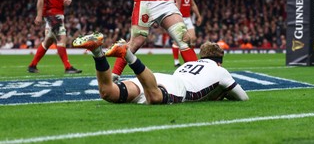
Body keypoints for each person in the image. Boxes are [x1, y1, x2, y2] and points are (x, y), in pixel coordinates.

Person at [72, 32, 249, 104]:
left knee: (108, 93)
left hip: (159, 78)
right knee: (155, 97)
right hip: (175, 89)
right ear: (219, 61)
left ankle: (97, 51)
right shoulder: (220, 71)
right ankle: (128, 55)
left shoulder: (188, 64)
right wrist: (222, 94)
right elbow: (243, 98)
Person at [27, 0, 82, 74]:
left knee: (49, 40)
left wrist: (68, 0)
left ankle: (32, 65)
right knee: (62, 38)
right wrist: (39, 15)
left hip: (59, 13)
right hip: (52, 14)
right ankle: (68, 67)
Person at [171, 0, 202, 67]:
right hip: (179, 18)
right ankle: (176, 61)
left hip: (188, 18)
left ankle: (191, 59)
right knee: (178, 40)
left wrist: (198, 16)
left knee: (193, 38)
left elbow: (192, 4)